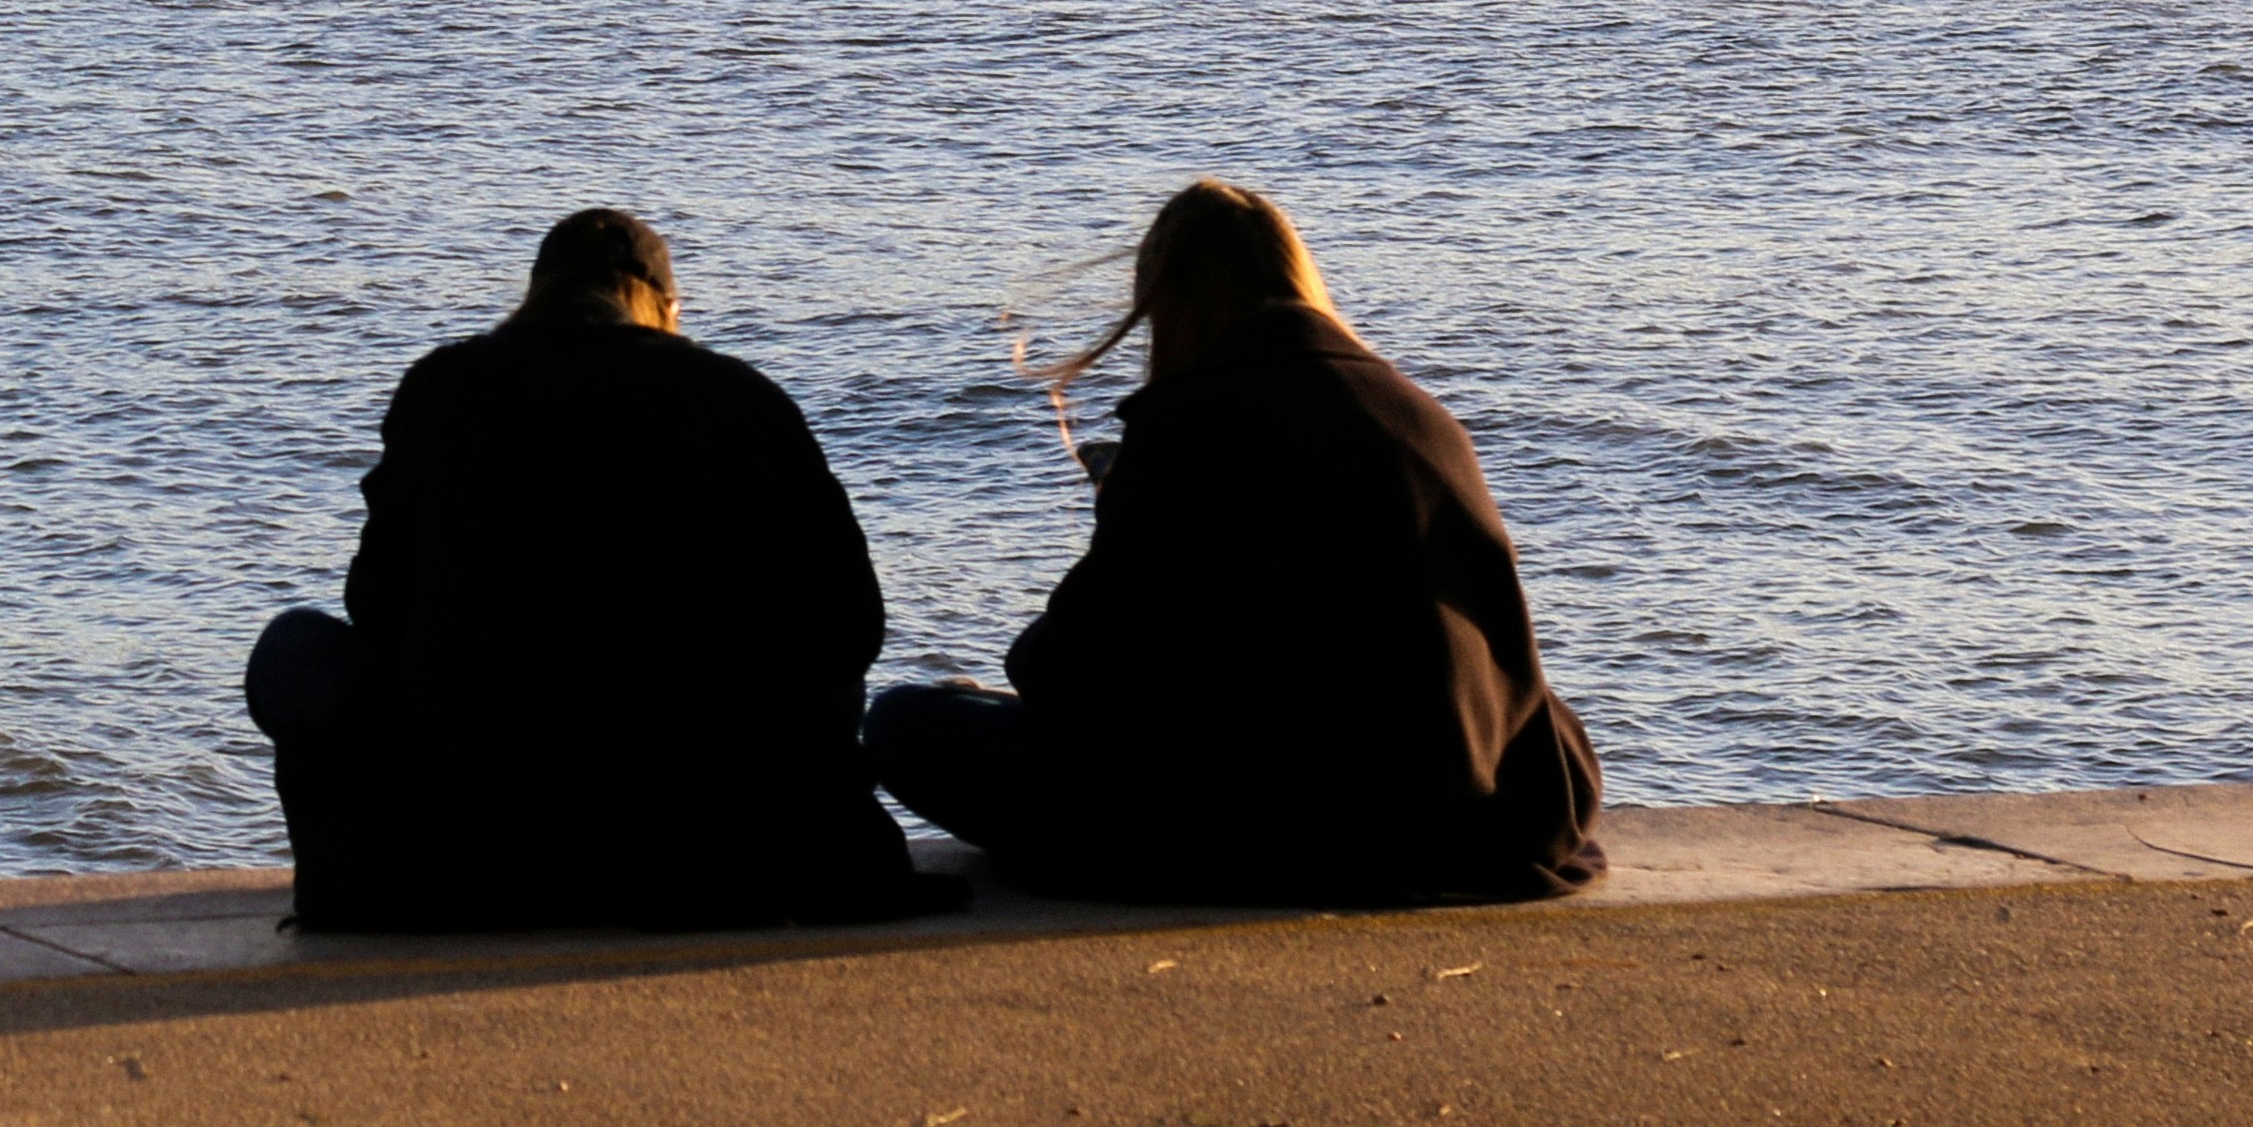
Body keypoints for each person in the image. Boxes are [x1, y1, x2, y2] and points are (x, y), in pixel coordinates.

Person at [868, 179, 1603, 904]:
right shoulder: (1421, 416)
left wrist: (1118, 515)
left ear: (1168, 303)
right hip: (1459, 811)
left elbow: (1072, 670)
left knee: (905, 721)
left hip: (1259, 822)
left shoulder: (1188, 426)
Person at [247, 207, 941, 929]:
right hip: (705, 838)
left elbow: (376, 602)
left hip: (478, 837)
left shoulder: (441, 388)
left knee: (294, 648)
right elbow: (850, 627)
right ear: (668, 309)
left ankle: (375, 874)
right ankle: (781, 848)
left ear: (534, 295)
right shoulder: (740, 396)